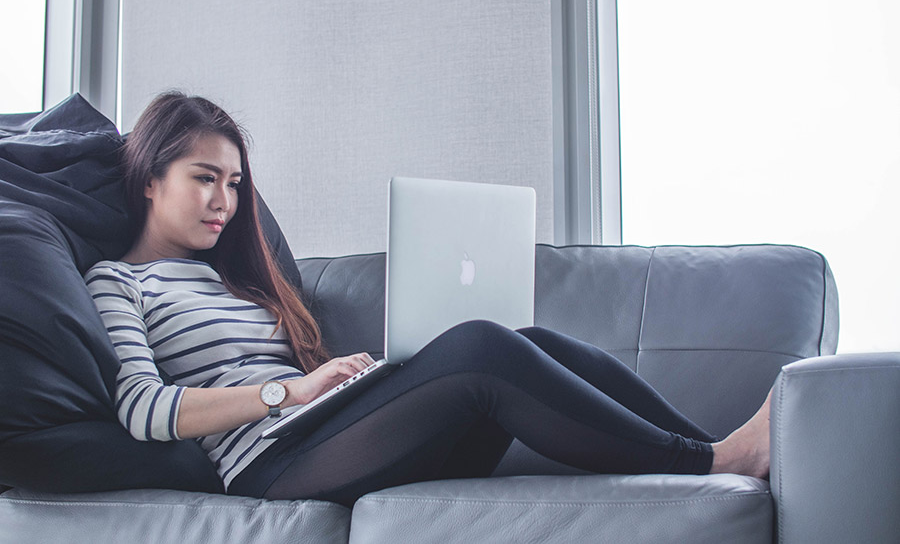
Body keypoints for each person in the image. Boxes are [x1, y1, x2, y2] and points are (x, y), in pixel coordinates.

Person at [85, 92, 771, 506]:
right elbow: (144, 411)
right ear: (150, 178)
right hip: (268, 466)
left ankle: (710, 451)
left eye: (236, 184)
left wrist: (362, 383)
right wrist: (287, 395)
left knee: (523, 340)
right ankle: (712, 462)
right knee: (481, 347)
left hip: (329, 435)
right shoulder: (118, 282)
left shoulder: (233, 277)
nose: (226, 202)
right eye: (207, 178)